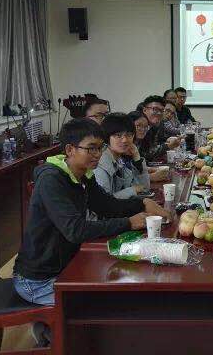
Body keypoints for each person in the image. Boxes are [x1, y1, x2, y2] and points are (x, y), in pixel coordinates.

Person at [13, 118, 169, 309]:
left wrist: (142, 203)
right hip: (39, 280)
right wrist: (129, 222)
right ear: (70, 149)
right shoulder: (51, 180)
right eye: (91, 148)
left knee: (128, 282)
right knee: (116, 301)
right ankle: (50, 324)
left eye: (100, 148)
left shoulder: (83, 174)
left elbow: (107, 206)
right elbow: (75, 230)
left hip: (67, 264)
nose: (98, 154)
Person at [94, 113, 150, 199]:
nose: (124, 140)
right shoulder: (100, 164)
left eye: (129, 135)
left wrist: (137, 158)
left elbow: (144, 189)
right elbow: (103, 202)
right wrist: (132, 190)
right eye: (118, 135)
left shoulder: (119, 159)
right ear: (106, 136)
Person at [128, 111, 169, 183]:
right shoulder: (124, 146)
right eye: (138, 126)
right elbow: (126, 175)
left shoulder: (141, 142)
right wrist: (150, 177)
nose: (143, 129)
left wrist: (151, 169)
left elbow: (136, 168)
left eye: (146, 127)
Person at [141, 95, 180, 162]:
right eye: (155, 109)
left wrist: (167, 142)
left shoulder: (156, 125)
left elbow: (154, 146)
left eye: (161, 110)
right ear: (144, 110)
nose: (159, 113)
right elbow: (145, 155)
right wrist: (167, 146)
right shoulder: (138, 126)